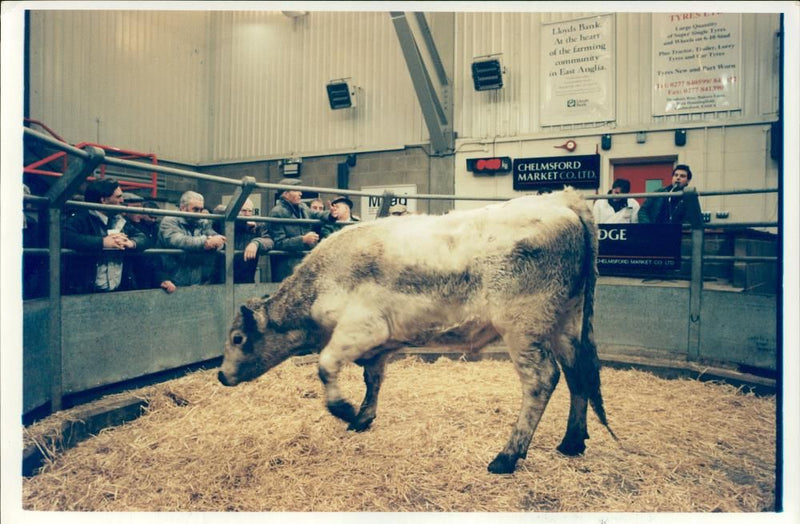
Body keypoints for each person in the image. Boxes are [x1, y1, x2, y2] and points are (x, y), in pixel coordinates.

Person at [62, 178, 150, 294]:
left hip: (116, 290)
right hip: (85, 291)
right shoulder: (80, 219)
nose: (122, 200)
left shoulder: (119, 220)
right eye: (118, 197)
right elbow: (65, 236)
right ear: (103, 200)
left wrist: (131, 243)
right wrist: (102, 242)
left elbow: (143, 238)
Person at [158, 190, 225, 289]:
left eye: (201, 209)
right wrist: (205, 242)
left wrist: (217, 243)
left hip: (198, 280)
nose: (199, 213)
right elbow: (178, 240)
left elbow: (216, 238)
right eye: (195, 209)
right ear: (183, 209)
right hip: (173, 280)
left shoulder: (202, 221)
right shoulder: (169, 221)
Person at [268, 178, 327, 281]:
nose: (300, 193)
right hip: (286, 268)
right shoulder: (277, 212)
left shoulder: (303, 207)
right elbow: (278, 243)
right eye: (296, 190)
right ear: (285, 194)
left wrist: (332, 215)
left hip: (303, 263)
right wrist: (303, 240)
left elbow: (317, 214)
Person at [210, 198, 275, 283]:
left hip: (246, 276)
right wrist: (241, 221)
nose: (247, 214)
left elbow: (269, 241)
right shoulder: (226, 224)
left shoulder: (256, 226)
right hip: (221, 277)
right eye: (243, 211)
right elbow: (218, 210)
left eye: (249, 211)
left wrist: (256, 243)